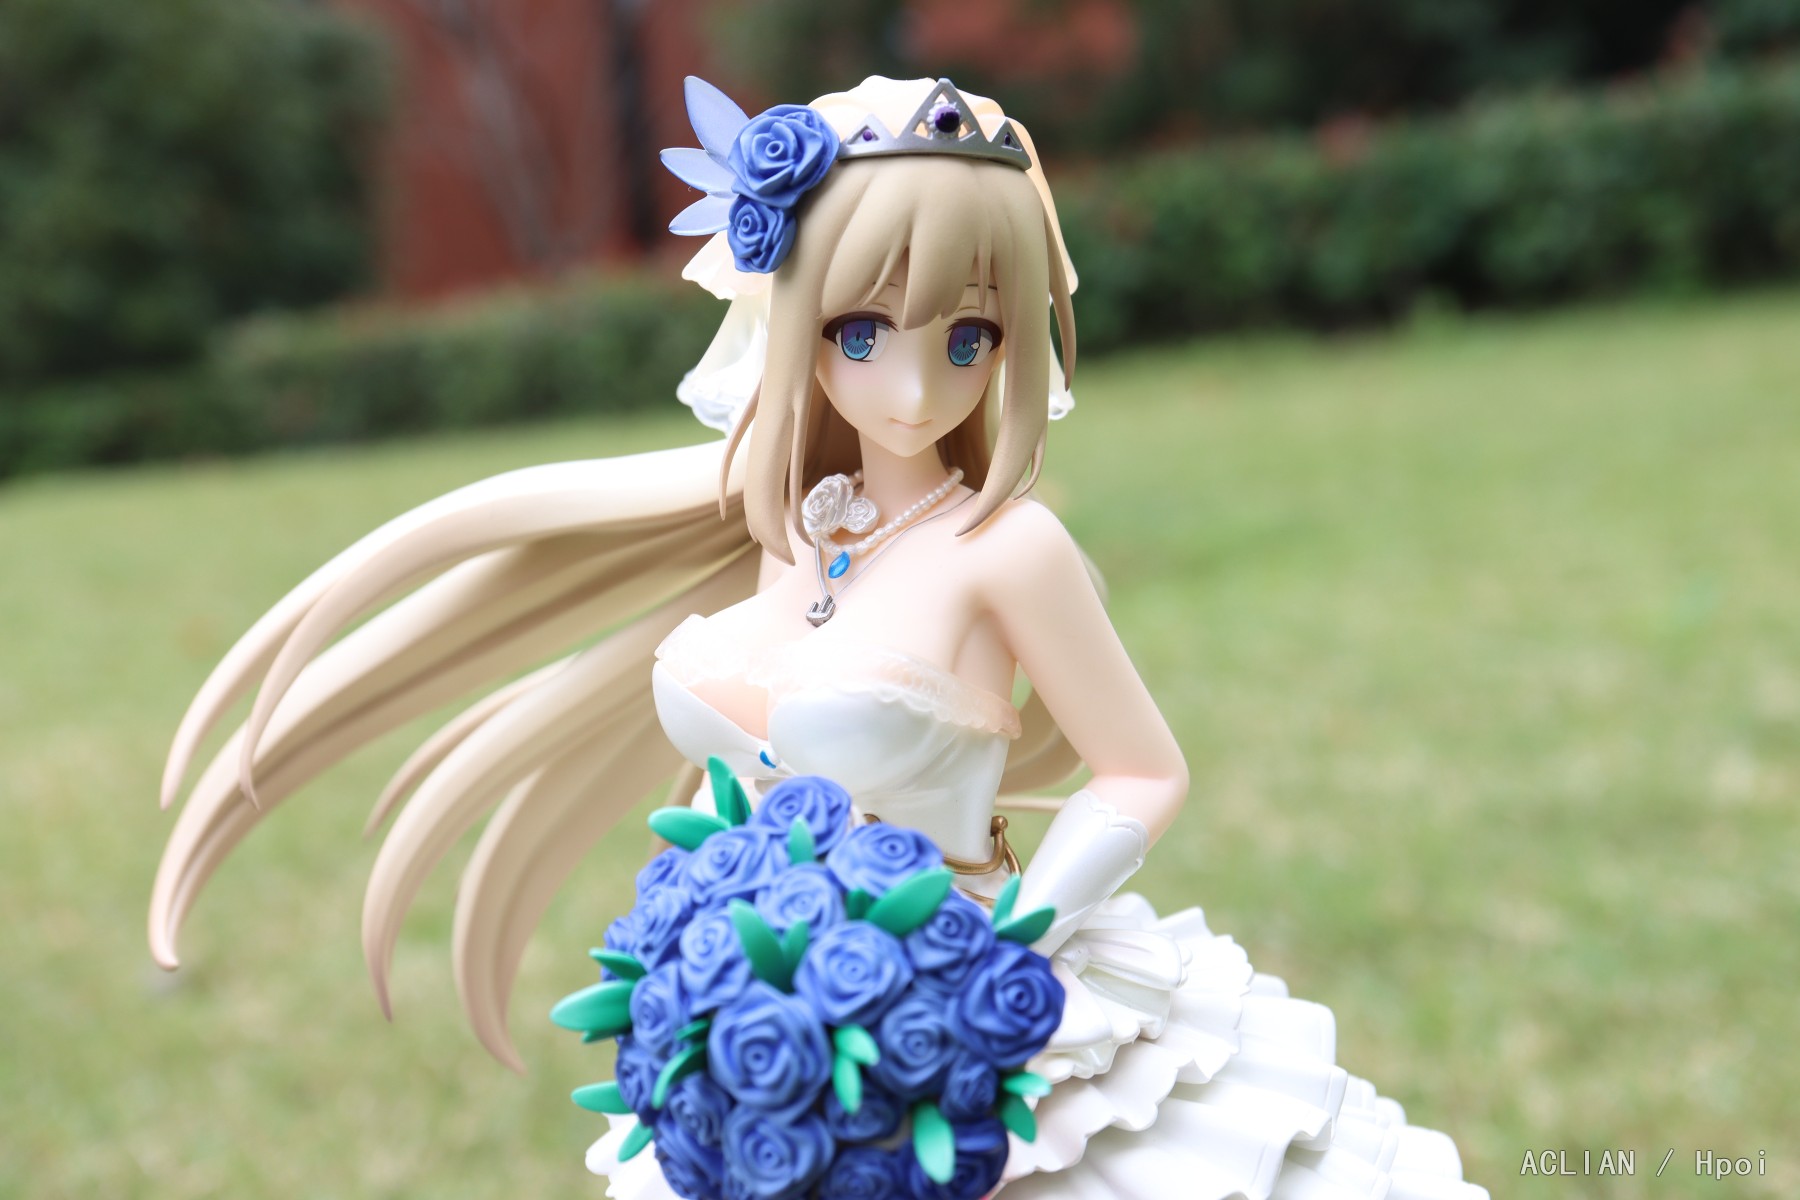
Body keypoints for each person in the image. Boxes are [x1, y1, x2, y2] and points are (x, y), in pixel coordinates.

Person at [151, 75, 1489, 1199]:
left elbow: (1143, 770)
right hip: (772, 1014)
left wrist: (1013, 939)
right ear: (793, 324)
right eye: (863, 331)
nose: (913, 386)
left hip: (966, 995)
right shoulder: (799, 527)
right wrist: (713, 941)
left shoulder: (1007, 548)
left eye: (970, 336)